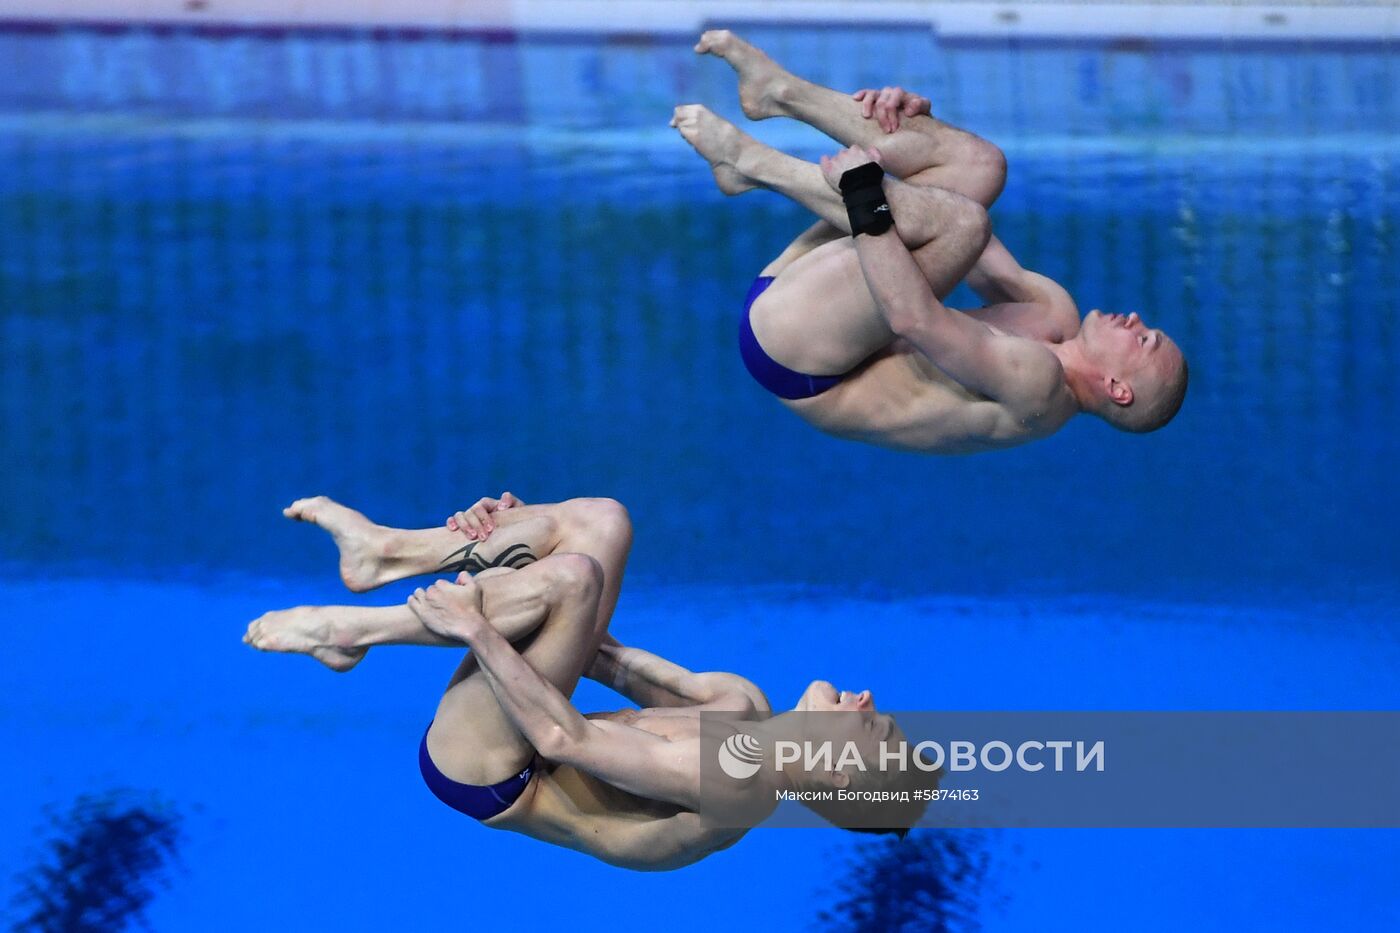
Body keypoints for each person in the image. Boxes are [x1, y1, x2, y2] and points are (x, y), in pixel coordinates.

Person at [244, 494, 929, 869]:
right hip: (533, 721)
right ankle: (389, 551)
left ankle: (349, 630)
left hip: (493, 772)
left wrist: (477, 625)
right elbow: (605, 656)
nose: (869, 701)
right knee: (600, 524)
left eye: (876, 728)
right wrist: (511, 545)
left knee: (571, 580)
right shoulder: (742, 705)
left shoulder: (735, 787)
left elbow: (560, 734)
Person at [671, 31, 1187, 453]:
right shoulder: (1056, 315)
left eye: (1144, 341)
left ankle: (751, 164)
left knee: (960, 224)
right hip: (821, 299)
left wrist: (863, 190)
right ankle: (778, 92)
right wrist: (918, 130)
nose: (1137, 321)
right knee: (980, 167)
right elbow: (949, 214)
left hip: (797, 355)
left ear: (1118, 391)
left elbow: (913, 317)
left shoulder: (1039, 389)